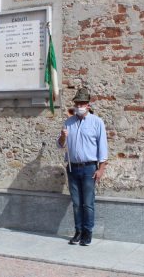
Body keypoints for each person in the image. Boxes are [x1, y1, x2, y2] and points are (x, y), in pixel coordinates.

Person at [57, 88, 108, 246]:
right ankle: (78, 231)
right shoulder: (69, 122)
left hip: (89, 168)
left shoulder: (97, 122)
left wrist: (101, 169)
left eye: (82, 103)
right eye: (77, 103)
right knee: (76, 203)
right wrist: (63, 136)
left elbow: (103, 147)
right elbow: (60, 145)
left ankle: (88, 232)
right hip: (72, 167)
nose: (79, 105)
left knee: (88, 203)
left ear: (88, 104)